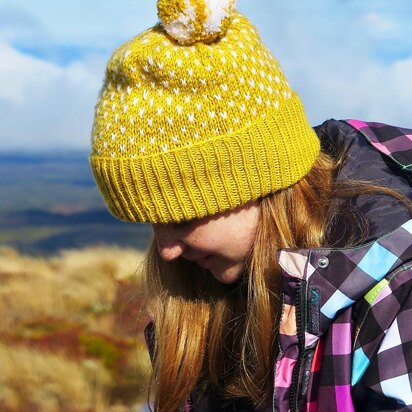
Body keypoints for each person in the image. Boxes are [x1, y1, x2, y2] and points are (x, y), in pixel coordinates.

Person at [89, 1, 412, 411]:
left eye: (183, 216)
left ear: (261, 183)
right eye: (151, 222)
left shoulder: (398, 298)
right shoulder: (207, 297)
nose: (167, 250)